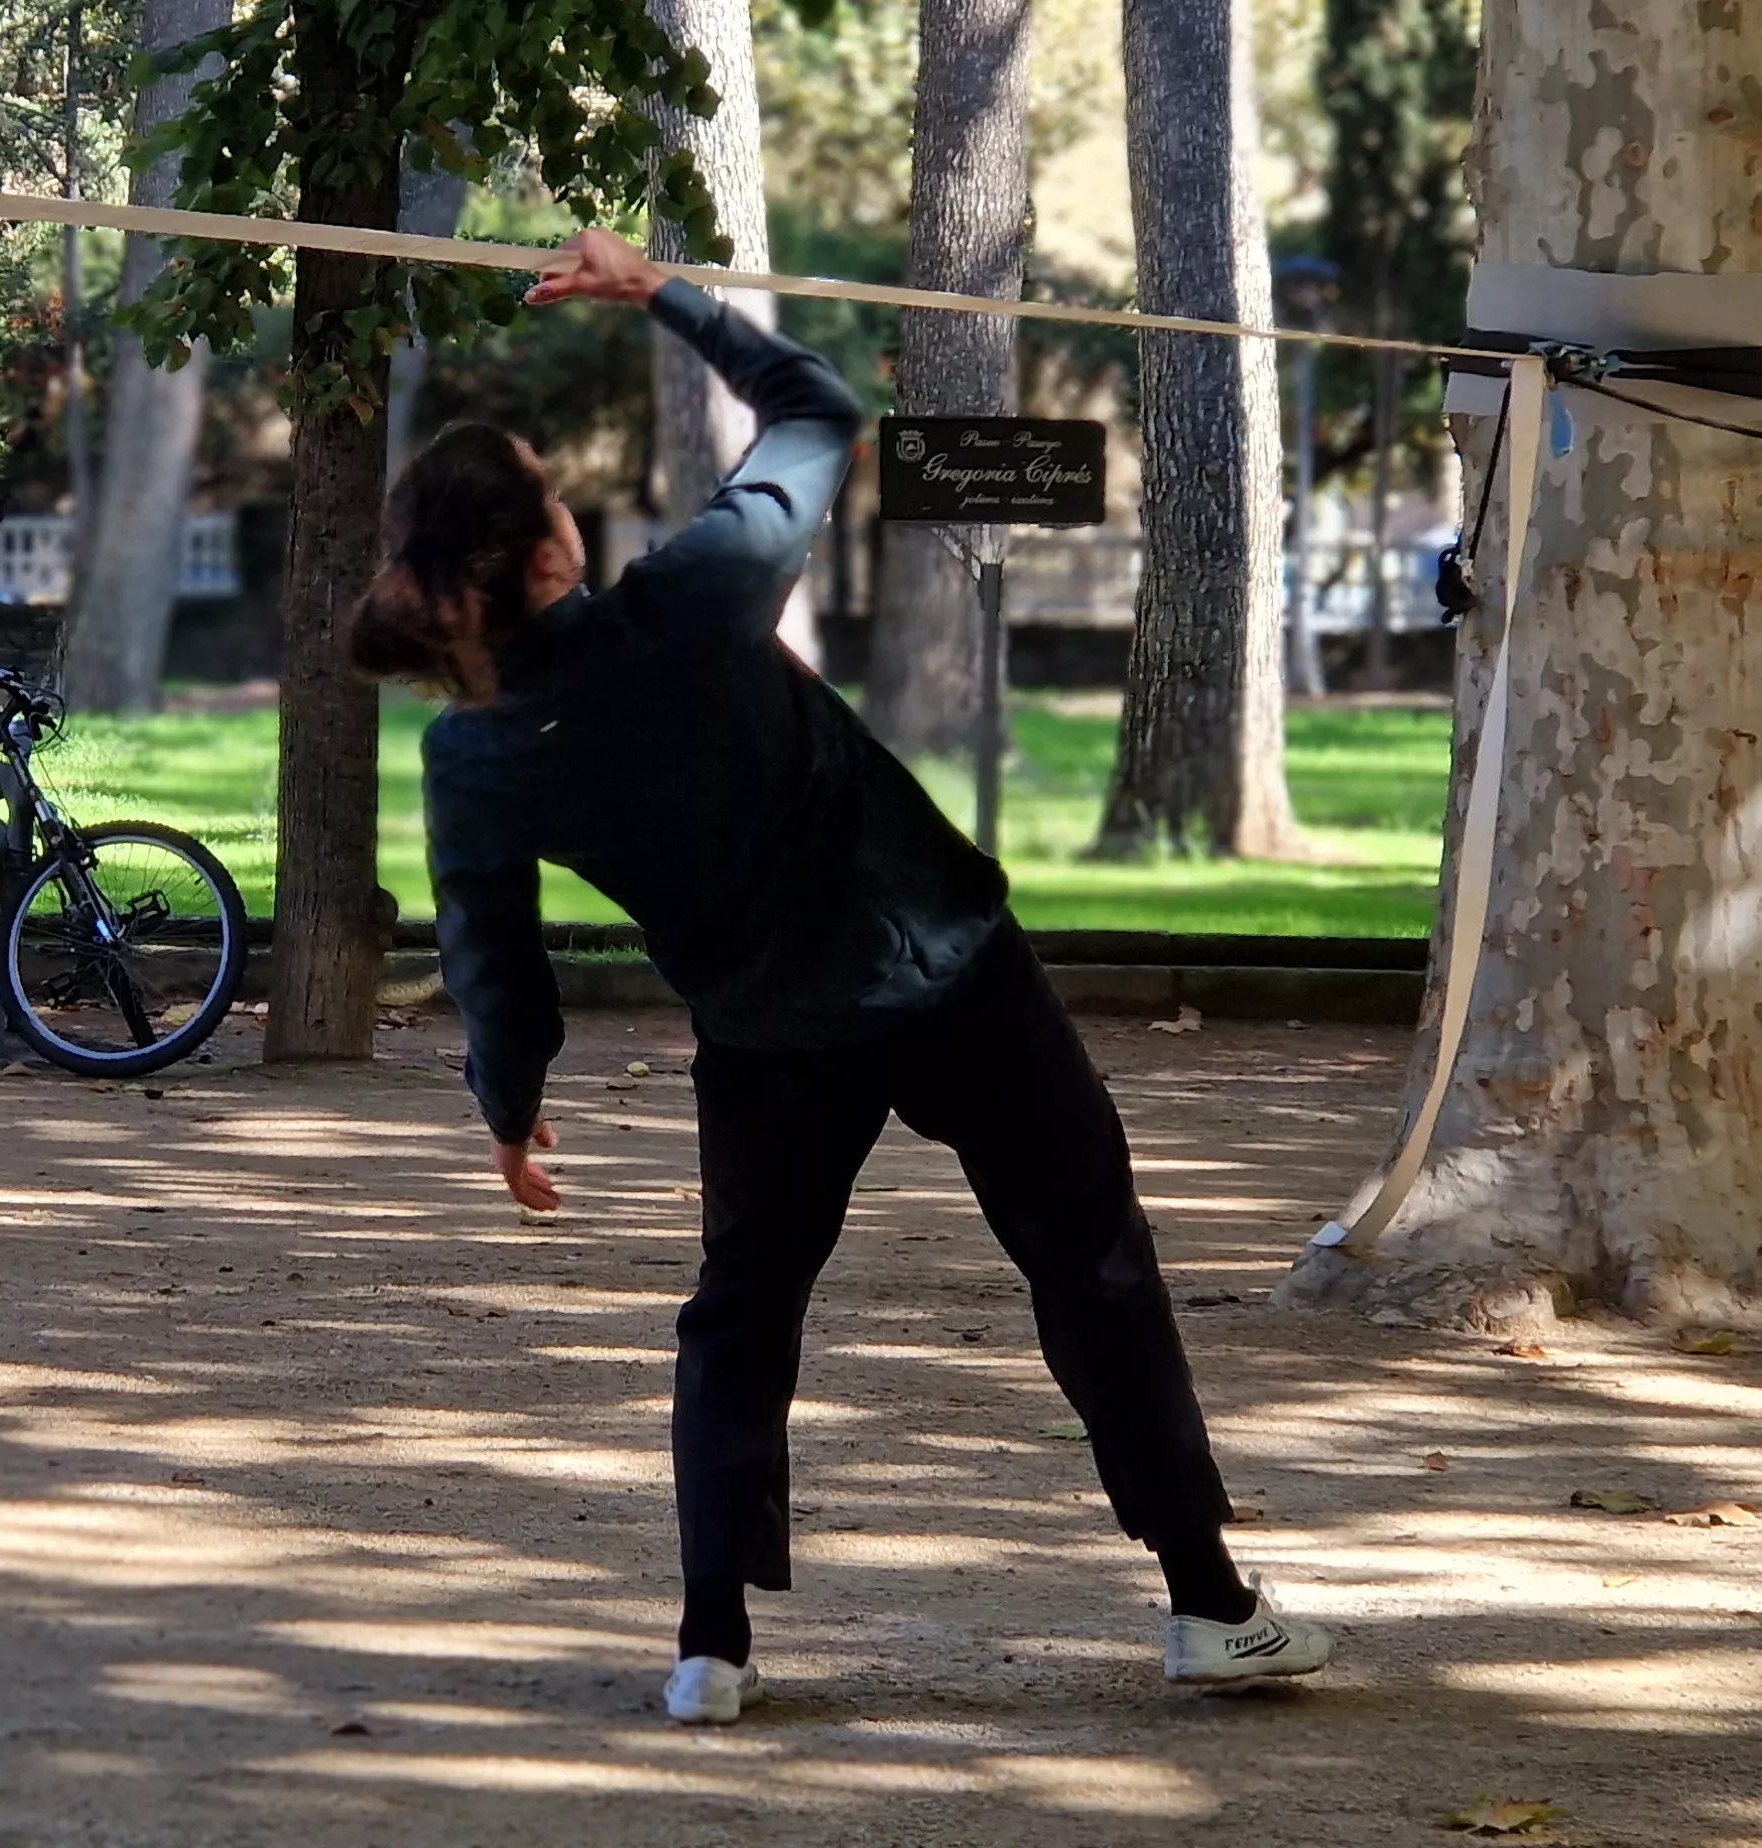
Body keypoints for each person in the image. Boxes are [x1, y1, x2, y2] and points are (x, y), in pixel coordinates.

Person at [351, 229, 1335, 1725]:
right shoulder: (693, 597)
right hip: (951, 972)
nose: (567, 509)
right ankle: (1209, 1605)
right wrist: (658, 289)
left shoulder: (473, 753)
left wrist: (510, 1104)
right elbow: (812, 409)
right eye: (554, 495)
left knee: (741, 1314)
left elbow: (493, 954)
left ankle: (711, 1646)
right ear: (547, 553)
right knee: (1092, 1262)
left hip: (769, 1040)